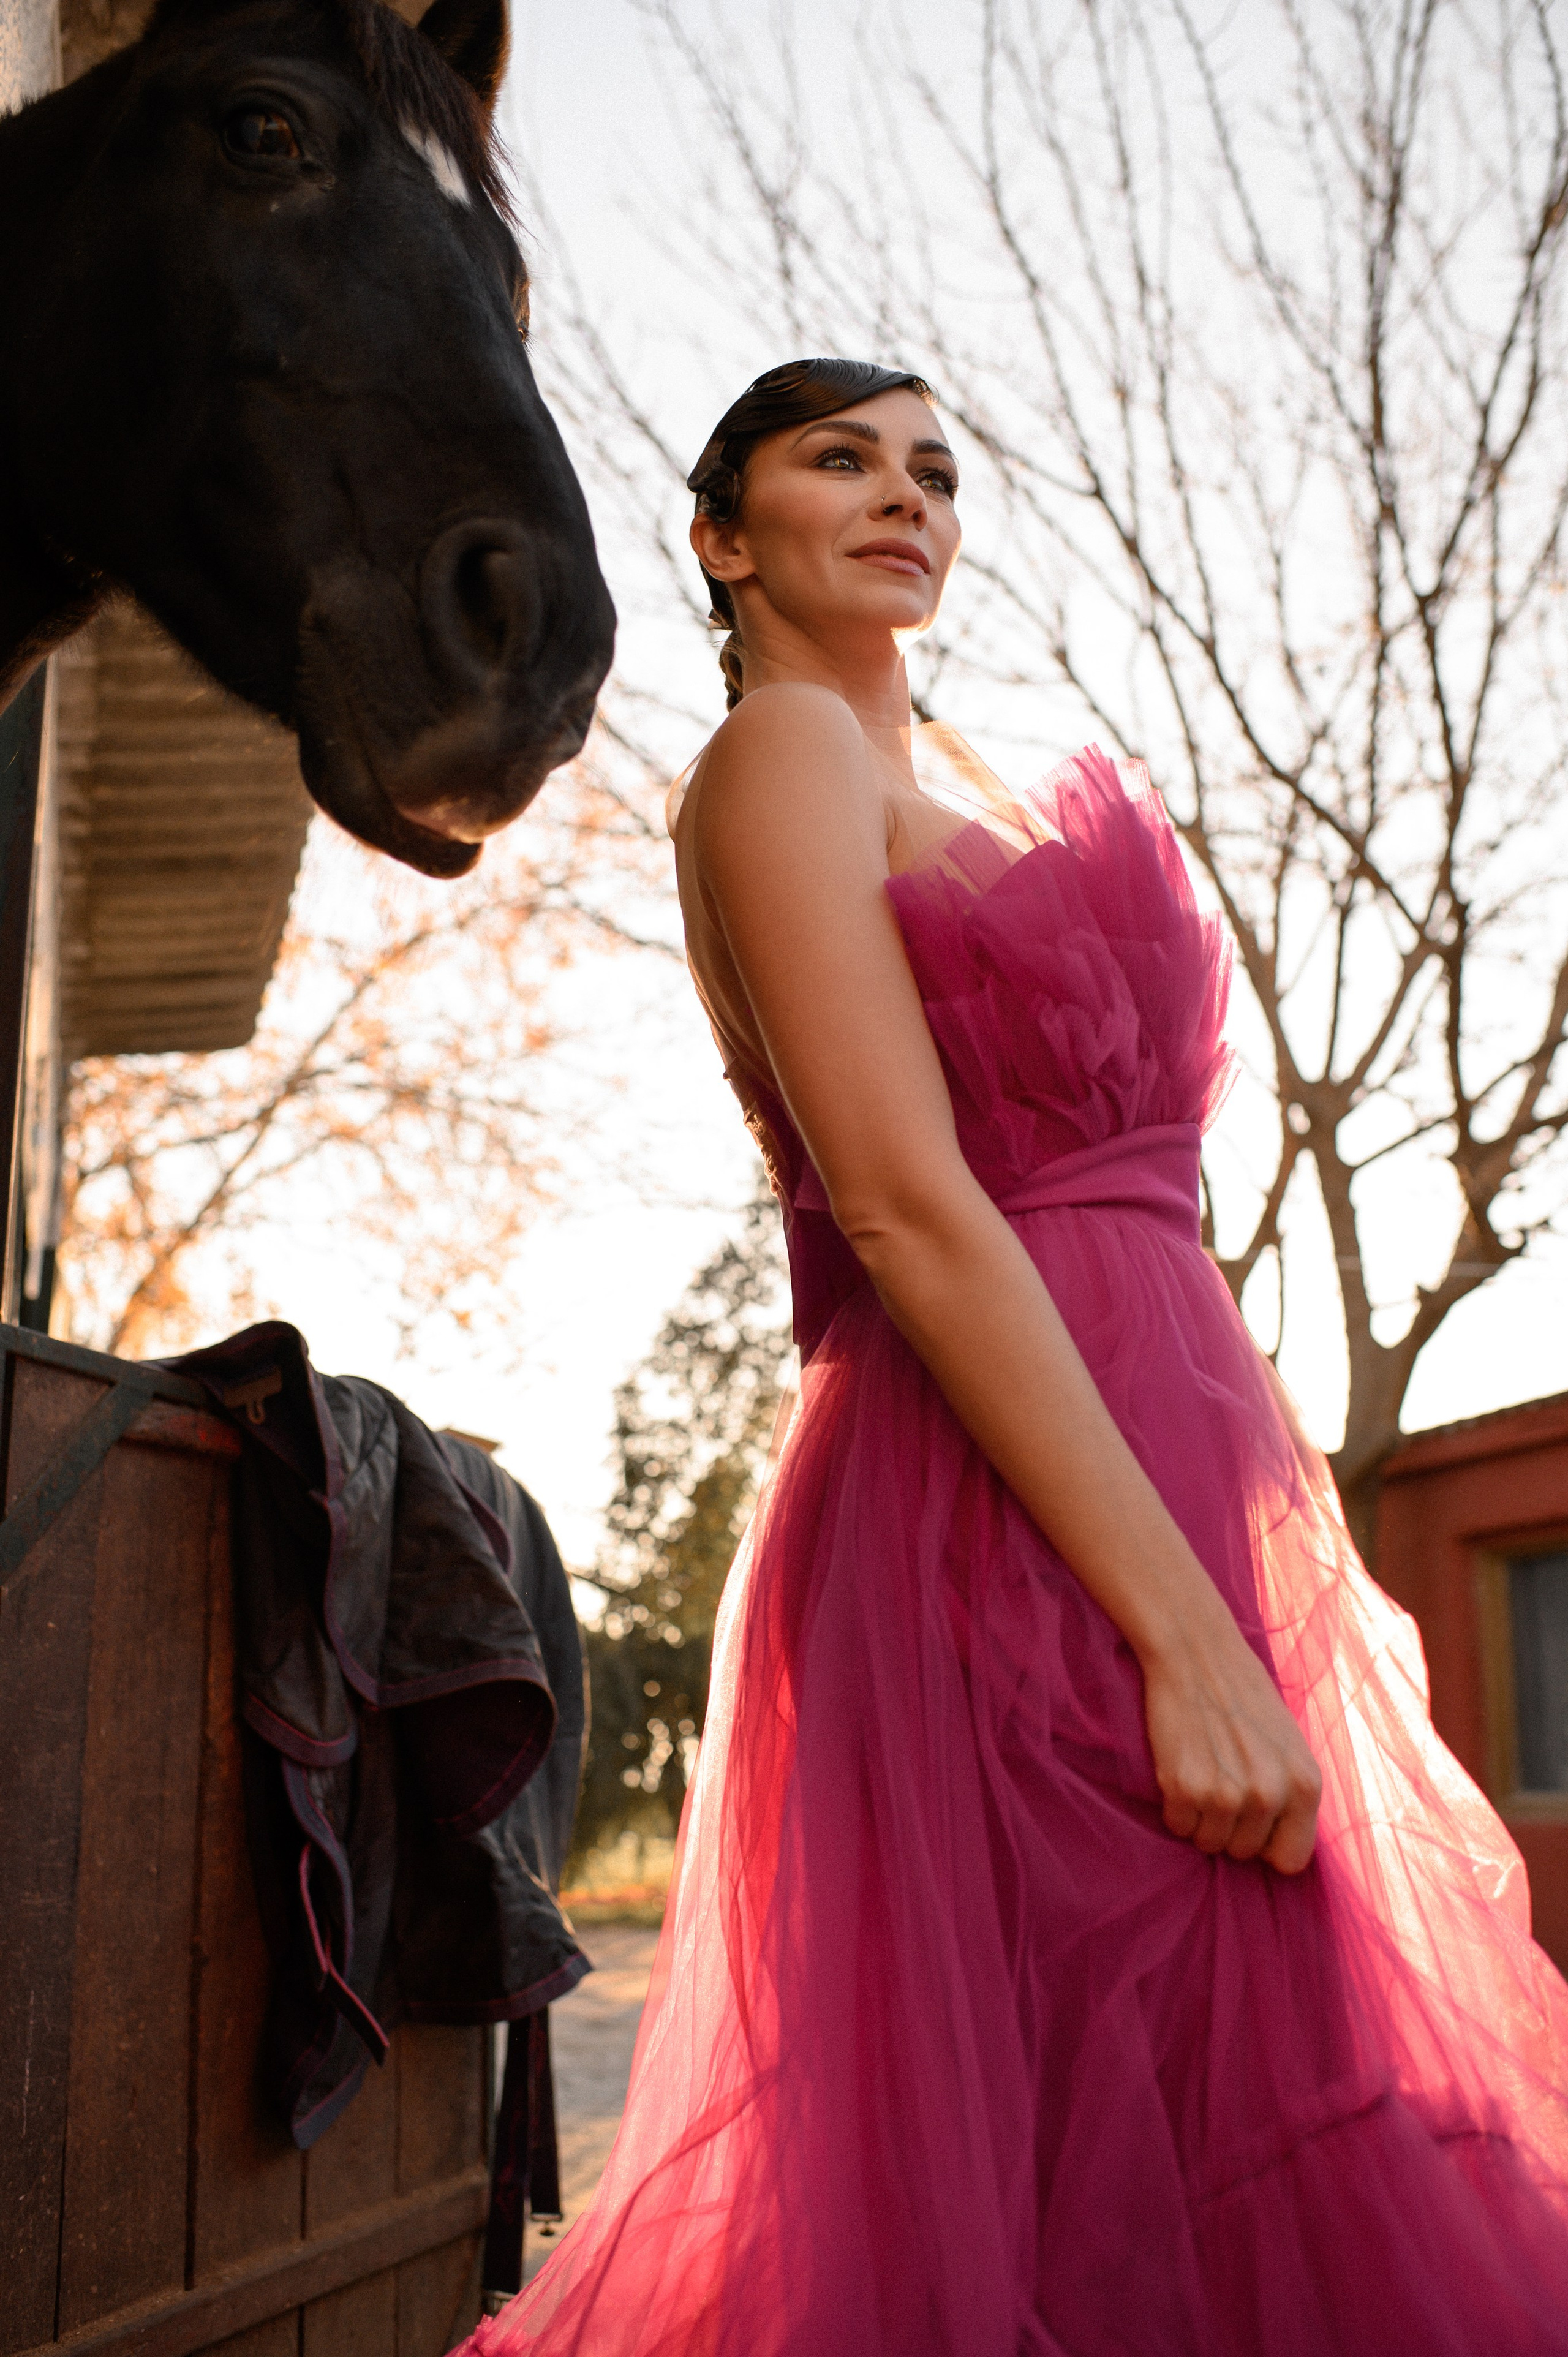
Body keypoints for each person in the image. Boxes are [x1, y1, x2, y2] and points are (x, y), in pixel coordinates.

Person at [462, 358, 1568, 2356]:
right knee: (1126, 2128)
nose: (908, 496)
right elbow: (899, 1203)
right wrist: (1189, 1639)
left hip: (1154, 1482)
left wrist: (1260, 1565)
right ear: (724, 538)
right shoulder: (784, 750)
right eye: (842, 460)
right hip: (1001, 1525)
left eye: (937, 471)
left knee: (1236, 2096)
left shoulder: (931, 784)